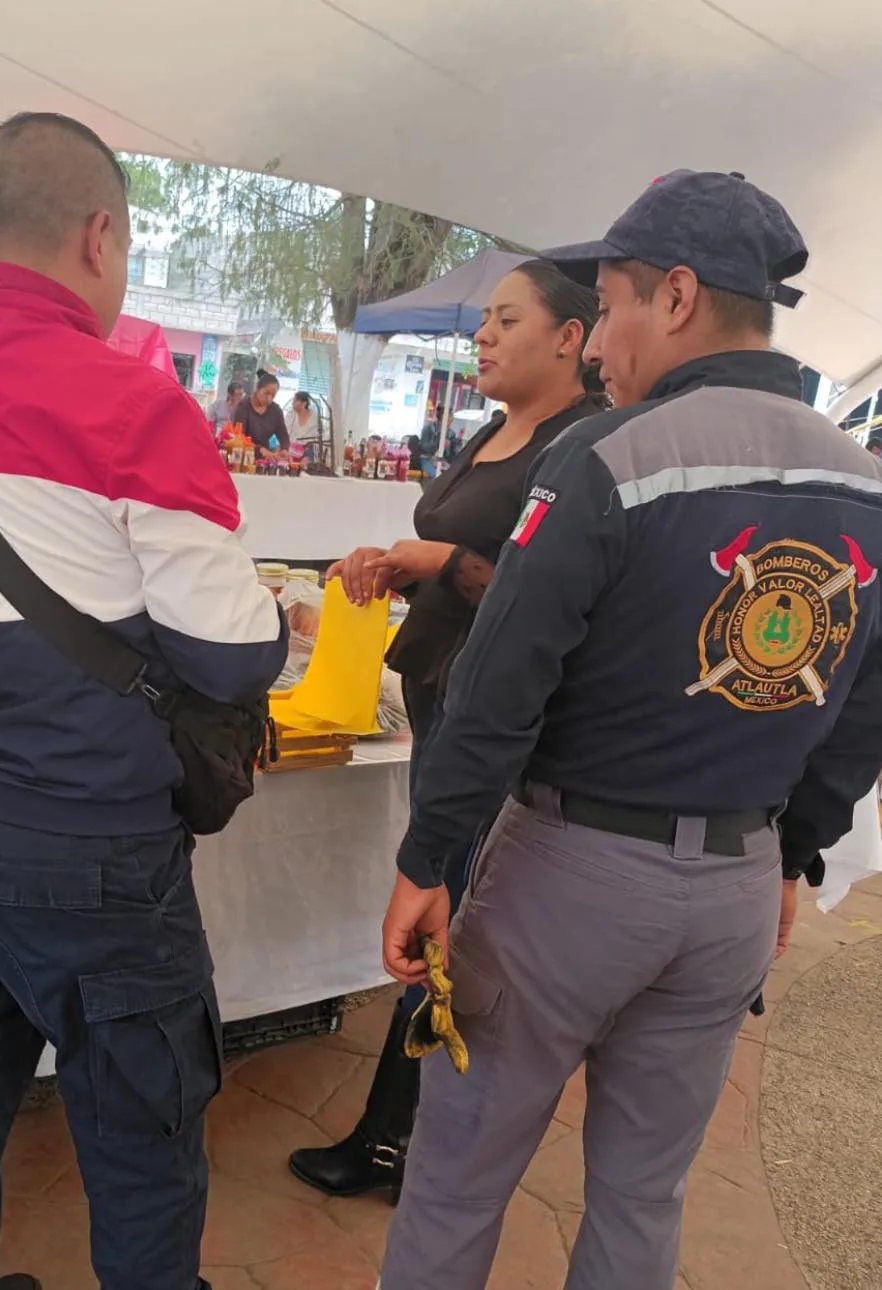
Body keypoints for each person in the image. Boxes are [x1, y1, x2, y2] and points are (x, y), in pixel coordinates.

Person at [379, 170, 882, 1290]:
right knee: (644, 1197)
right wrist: (791, 849)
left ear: (678, 298)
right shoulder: (865, 484)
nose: (597, 343)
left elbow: (498, 690)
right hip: (735, 896)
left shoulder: (609, 459)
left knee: (459, 1175)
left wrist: (428, 860)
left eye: (606, 307)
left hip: (572, 880)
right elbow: (864, 713)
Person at [0, 111, 287, 1290]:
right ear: (101, 237)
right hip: (91, 847)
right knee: (140, 1138)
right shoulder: (134, 405)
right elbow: (234, 660)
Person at [289, 260, 604, 1203]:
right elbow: (462, 558)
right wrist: (391, 564)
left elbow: (542, 591)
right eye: (483, 323)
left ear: (571, 337)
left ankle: (397, 1138)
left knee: (449, 914)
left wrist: (444, 558)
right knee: (442, 905)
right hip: (438, 696)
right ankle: (403, 1132)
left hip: (496, 721)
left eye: (509, 320)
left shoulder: (581, 446)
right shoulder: (490, 431)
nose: (485, 337)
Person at [234, 369, 288, 455]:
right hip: (243, 455)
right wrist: (259, 450)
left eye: (273, 395)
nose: (269, 398)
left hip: (265, 459)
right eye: (266, 393)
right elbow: (239, 437)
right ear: (257, 389)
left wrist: (284, 449)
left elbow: (283, 435)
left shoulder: (276, 410)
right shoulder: (243, 407)